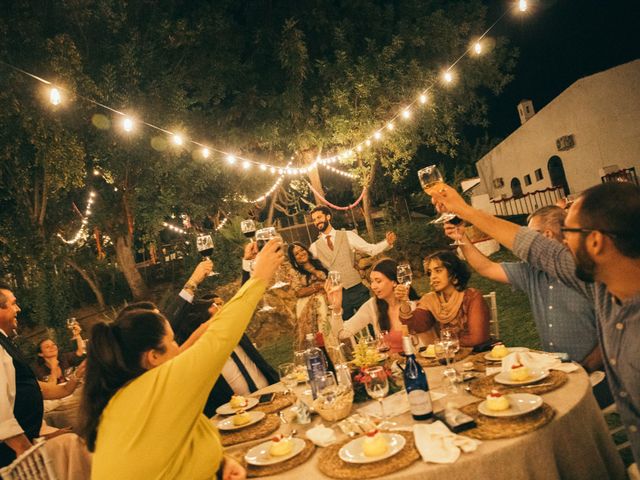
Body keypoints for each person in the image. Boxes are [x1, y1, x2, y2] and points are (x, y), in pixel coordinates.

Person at [431, 181, 640, 465]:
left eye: (569, 233)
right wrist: (463, 210)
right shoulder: (600, 287)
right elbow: (533, 246)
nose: (561, 243)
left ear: (596, 242)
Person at [78, 238, 283, 480]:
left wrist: (219, 465)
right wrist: (259, 278)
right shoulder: (156, 391)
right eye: (172, 341)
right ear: (153, 356)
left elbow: (175, 453)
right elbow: (220, 337)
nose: (179, 347)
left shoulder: (130, 396)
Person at [444, 206, 602, 368]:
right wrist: (461, 237)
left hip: (596, 375)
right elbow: (487, 268)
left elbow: (612, 333)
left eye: (531, 235)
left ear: (547, 235)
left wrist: (586, 367)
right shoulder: (531, 271)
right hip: (557, 372)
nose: (525, 244)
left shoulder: (587, 272)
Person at [0, 283, 88, 471]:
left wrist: (75, 379)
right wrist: (23, 448)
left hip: (32, 437)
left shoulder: (5, 343)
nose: (18, 309)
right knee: (73, 444)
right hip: (15, 454)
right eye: (13, 304)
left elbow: (33, 388)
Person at [309, 205, 397, 320]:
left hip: (356, 288)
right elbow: (307, 265)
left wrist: (387, 243)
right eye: (314, 220)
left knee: (372, 320)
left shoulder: (348, 235)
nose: (317, 222)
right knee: (347, 330)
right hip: (338, 293)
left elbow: (370, 249)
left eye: (319, 217)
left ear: (328, 217)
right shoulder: (314, 247)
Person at [326, 258, 423, 353]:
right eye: (372, 281)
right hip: (391, 366)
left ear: (394, 282)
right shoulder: (372, 306)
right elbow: (341, 334)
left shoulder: (414, 305)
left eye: (378, 281)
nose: (373, 286)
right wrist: (337, 309)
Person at [404, 250, 490, 347]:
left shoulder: (472, 297)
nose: (433, 277)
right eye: (430, 272)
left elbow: (477, 338)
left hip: (477, 355)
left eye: (438, 271)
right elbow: (416, 327)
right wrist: (403, 301)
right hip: (448, 357)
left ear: (454, 273)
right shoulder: (431, 301)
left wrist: (443, 345)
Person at [287, 241, 333, 351]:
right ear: (294, 259)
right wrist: (317, 287)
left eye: (302, 250)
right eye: (296, 254)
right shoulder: (293, 271)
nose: (301, 254)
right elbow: (298, 292)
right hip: (309, 308)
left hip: (328, 302)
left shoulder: (317, 263)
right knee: (317, 338)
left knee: (332, 331)